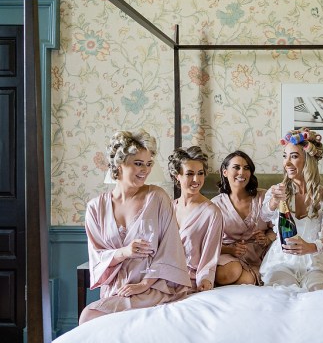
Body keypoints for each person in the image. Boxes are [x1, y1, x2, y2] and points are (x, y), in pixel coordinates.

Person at [80, 130, 190, 324]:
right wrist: (124, 252)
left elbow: (171, 249)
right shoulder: (95, 208)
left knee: (89, 316)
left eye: (149, 164)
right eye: (138, 163)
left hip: (153, 287)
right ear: (119, 164)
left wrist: (144, 284)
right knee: (93, 319)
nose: (145, 170)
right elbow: (97, 258)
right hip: (117, 290)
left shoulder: (157, 198)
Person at [259, 127, 323, 291]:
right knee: (280, 292)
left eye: (293, 156)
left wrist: (311, 247)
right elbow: (264, 216)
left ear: (308, 160)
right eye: (284, 156)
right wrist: (274, 201)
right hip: (282, 259)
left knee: (317, 291)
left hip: (314, 260)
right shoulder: (277, 191)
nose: (286, 163)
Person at [211, 151, 276, 285]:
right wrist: (230, 249)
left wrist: (267, 239)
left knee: (247, 280)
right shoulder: (215, 205)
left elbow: (277, 227)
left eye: (246, 168)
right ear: (225, 172)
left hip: (258, 256)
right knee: (231, 272)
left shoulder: (264, 197)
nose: (241, 172)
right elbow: (207, 242)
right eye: (236, 167)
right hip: (228, 255)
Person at [169, 146, 223, 292]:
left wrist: (205, 280)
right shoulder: (168, 208)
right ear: (177, 176)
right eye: (190, 174)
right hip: (163, 277)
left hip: (190, 281)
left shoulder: (212, 213)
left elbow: (209, 257)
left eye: (200, 173)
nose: (196, 179)